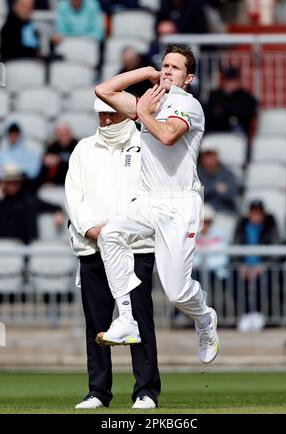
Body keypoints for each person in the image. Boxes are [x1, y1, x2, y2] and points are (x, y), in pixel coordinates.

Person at [94, 44, 219, 364]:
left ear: (189, 78)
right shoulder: (152, 100)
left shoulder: (189, 105)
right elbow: (103, 90)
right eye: (164, 65)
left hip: (180, 203)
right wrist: (144, 74)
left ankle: (204, 316)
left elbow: (166, 136)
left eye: (175, 68)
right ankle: (126, 319)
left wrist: (144, 112)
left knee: (177, 293)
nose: (167, 70)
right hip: (149, 199)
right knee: (109, 236)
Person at [65, 99, 160, 410]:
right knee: (97, 323)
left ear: (125, 112)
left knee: (139, 320)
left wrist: (118, 230)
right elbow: (73, 195)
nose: (105, 119)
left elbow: (150, 195)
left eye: (111, 112)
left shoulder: (145, 144)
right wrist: (92, 229)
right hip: (92, 247)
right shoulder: (83, 149)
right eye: (101, 113)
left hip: (134, 248)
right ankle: (97, 391)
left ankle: (146, 391)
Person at [0, 164, 64, 244]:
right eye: (9, 182)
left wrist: (58, 211)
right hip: (3, 247)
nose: (13, 185)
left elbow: (53, 206)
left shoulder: (29, 199)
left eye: (16, 182)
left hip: (27, 248)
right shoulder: (2, 200)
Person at [204, 66, 258, 139]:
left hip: (237, 128)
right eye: (228, 80)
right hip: (218, 127)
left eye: (234, 80)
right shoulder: (215, 95)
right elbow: (210, 113)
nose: (231, 83)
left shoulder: (245, 95)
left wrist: (225, 110)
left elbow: (248, 112)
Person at [197, 146, 239, 214]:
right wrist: (215, 187)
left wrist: (205, 188)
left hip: (224, 212)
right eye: (206, 156)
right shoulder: (196, 173)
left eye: (211, 155)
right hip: (203, 213)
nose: (209, 159)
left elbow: (232, 194)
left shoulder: (227, 173)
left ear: (217, 157)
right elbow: (197, 195)